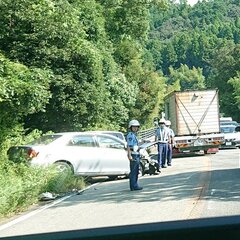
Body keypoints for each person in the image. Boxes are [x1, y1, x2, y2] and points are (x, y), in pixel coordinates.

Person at [126, 119, 143, 191]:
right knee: (133, 171)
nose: (135, 128)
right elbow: (129, 146)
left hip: (136, 153)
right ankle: (134, 186)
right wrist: (129, 155)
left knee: (136, 171)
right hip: (133, 154)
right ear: (131, 127)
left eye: (136, 127)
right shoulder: (130, 135)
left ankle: (135, 185)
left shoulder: (134, 135)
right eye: (134, 127)